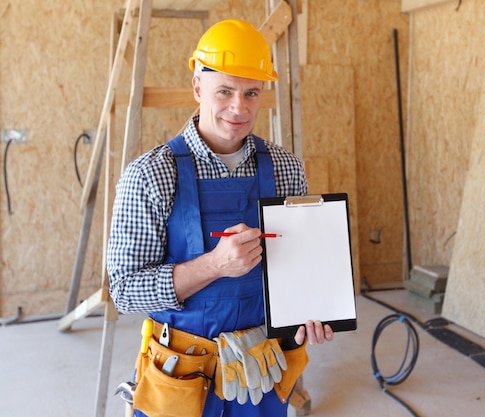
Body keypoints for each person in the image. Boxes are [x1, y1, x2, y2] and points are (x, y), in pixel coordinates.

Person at [107, 19, 334, 417]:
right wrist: (214, 265)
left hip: (259, 371)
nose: (239, 107)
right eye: (224, 91)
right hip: (180, 375)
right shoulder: (150, 175)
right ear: (198, 87)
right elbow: (124, 290)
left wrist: (311, 313)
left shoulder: (285, 167)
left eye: (251, 93)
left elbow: (298, 268)